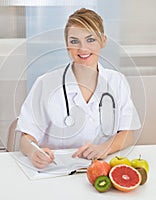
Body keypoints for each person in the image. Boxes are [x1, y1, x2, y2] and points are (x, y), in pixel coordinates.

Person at [16, 8, 141, 169]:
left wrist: (105, 148)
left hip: (101, 170)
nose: (83, 49)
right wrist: (34, 151)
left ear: (103, 41)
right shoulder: (46, 83)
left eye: (91, 40)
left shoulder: (116, 81)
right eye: (74, 41)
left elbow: (128, 134)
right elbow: (26, 137)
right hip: (55, 170)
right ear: (67, 44)